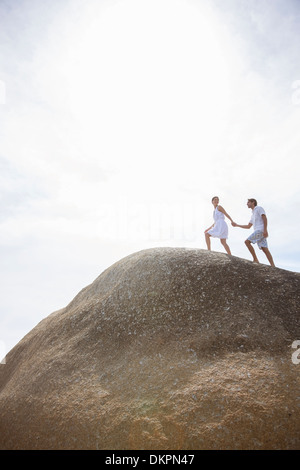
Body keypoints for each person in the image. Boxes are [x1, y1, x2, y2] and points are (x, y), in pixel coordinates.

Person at [232, 198, 275, 266]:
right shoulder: (252, 214)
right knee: (265, 249)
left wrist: (265, 230)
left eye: (248, 202)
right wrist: (237, 225)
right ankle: (273, 265)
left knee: (247, 242)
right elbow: (248, 226)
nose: (247, 204)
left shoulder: (259, 208)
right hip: (259, 231)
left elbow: (264, 218)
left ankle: (255, 259)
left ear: (253, 202)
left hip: (260, 230)